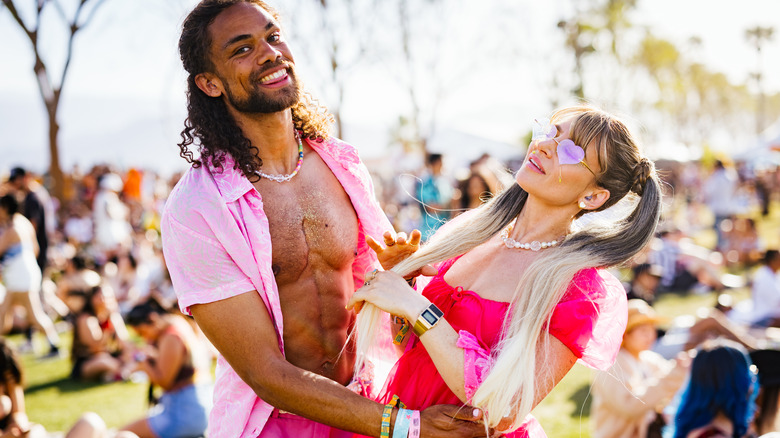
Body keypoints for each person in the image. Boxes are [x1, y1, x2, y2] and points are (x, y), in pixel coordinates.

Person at [161, 1, 488, 437]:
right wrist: (405, 426)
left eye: (273, 36)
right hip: (277, 425)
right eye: (242, 49)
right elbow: (265, 372)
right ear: (210, 83)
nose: (270, 53)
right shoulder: (197, 208)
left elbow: (385, 323)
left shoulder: (342, 164)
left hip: (367, 407)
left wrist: (400, 278)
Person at [348, 105, 663, 436]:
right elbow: (414, 351)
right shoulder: (471, 234)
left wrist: (417, 307)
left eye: (570, 150)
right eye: (551, 132)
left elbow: (504, 409)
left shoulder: (578, 288)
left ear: (593, 195)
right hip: (407, 424)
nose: (542, 145)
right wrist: (406, 282)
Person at [590, 299, 691, 438]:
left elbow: (673, 376)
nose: (651, 336)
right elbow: (630, 405)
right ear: (625, 334)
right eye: (644, 331)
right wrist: (673, 376)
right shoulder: (611, 366)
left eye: (652, 330)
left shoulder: (648, 358)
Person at [119, 300, 212, 438]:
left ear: (152, 319)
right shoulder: (177, 322)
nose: (144, 338)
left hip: (184, 413)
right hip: (199, 407)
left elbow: (164, 382)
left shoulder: (171, 337)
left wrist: (144, 366)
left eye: (142, 332)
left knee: (121, 433)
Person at [0, 195, 61, 358]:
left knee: (34, 314)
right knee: (5, 312)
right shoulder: (24, 223)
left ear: (5, 208)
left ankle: (54, 345)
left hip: (20, 277)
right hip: (24, 273)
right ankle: (50, 344)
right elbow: (35, 248)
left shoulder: (12, 228)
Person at [668, 339, 758, 438]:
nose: (752, 380)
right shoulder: (715, 434)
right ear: (736, 383)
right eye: (749, 373)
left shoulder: (717, 429)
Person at [69, 286, 131, 382]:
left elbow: (124, 343)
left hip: (110, 357)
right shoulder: (86, 319)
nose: (104, 300)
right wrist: (107, 326)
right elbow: (96, 349)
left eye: (108, 297)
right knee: (104, 362)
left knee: (129, 356)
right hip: (89, 362)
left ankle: (115, 374)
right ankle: (122, 372)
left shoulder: (114, 316)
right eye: (101, 297)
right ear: (92, 299)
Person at [0, 340, 46, 438]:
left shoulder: (11, 382)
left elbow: (19, 412)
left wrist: (18, 424)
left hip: (9, 432)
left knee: (36, 430)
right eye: (5, 378)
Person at [416, 153, 453, 240]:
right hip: (430, 230)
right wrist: (448, 206)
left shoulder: (445, 181)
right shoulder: (425, 183)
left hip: (445, 229)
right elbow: (432, 208)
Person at [747, 250, 780, 328]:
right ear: (772, 261)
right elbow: (777, 301)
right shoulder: (764, 277)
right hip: (764, 318)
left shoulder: (773, 275)